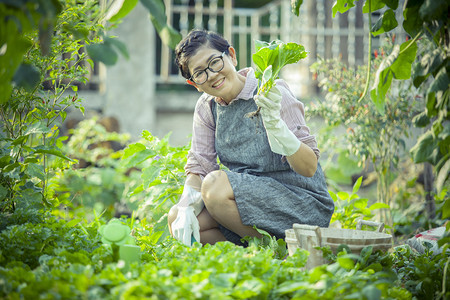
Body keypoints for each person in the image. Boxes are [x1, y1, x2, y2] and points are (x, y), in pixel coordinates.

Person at [168, 29, 334, 246]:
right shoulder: (207, 107)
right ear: (195, 84)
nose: (212, 75)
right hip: (249, 203)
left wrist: (279, 130)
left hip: (300, 201)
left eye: (215, 62)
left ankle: (276, 250)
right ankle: (256, 250)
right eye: (200, 73)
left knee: (215, 187)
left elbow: (309, 167)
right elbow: (200, 166)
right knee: (177, 219)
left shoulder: (271, 92)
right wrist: (184, 205)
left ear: (232, 55)